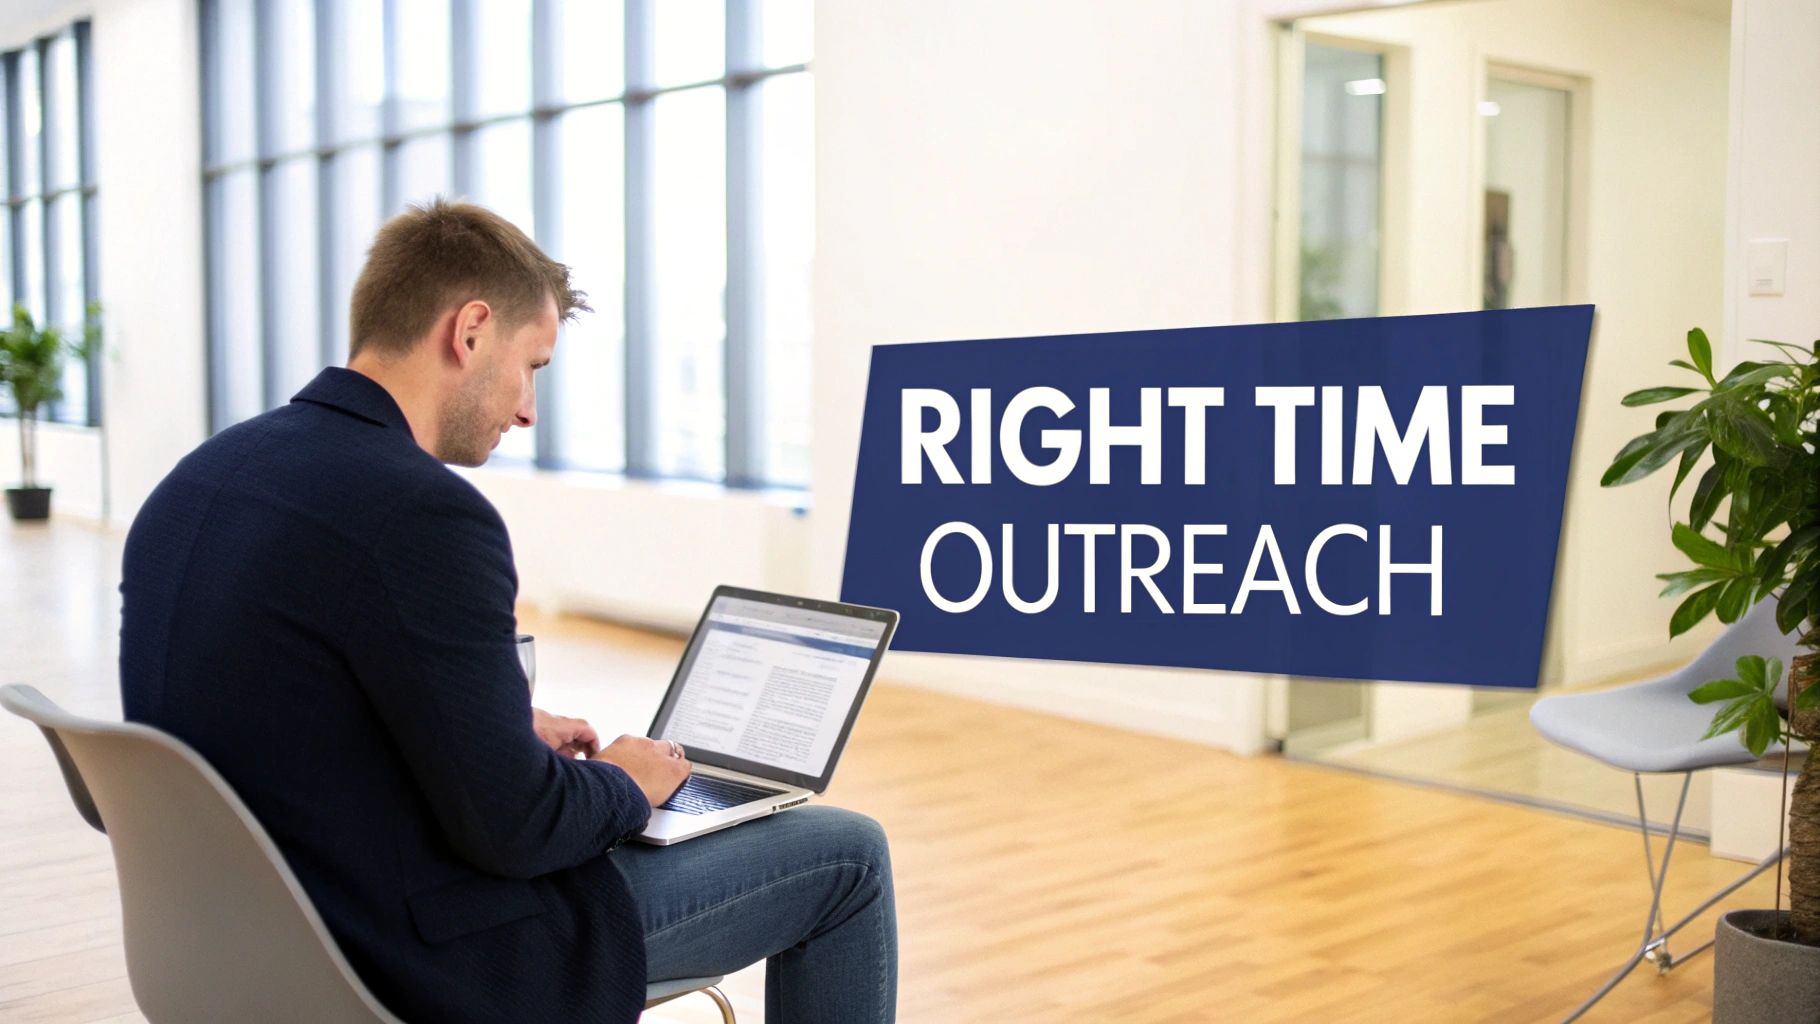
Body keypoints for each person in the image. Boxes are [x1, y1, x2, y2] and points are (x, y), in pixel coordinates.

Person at [118, 199, 897, 1023]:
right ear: (471, 331)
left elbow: (284, 705)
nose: (527, 409)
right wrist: (623, 782)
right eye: (533, 366)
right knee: (848, 855)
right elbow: (519, 830)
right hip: (406, 949)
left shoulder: (203, 477)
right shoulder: (422, 513)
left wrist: (496, 727)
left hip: (241, 931)